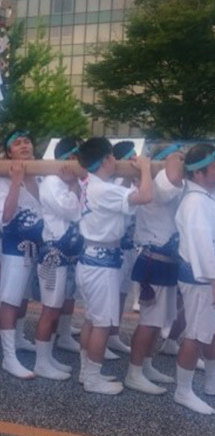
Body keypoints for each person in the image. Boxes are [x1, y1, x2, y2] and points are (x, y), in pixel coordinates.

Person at [76, 137, 152, 395]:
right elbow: (145, 196)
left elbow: (125, 197)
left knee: (91, 319)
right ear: (107, 160)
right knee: (102, 324)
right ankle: (92, 379)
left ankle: (87, 372)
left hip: (91, 258)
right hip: (102, 263)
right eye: (113, 157)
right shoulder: (103, 189)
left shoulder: (93, 184)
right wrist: (145, 168)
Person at [124, 143, 184, 395]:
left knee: (160, 321)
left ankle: (146, 365)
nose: (181, 160)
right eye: (177, 155)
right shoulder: (158, 181)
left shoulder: (156, 180)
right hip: (154, 261)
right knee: (149, 322)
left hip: (165, 260)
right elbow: (171, 177)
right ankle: (134, 372)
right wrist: (170, 158)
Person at [0, 130, 42, 379]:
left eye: (27, 141)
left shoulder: (42, 175)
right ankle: (8, 357)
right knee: (10, 300)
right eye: (17, 143)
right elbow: (6, 216)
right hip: (14, 248)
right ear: (9, 152)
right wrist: (14, 182)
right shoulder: (2, 181)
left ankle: (19, 337)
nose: (23, 145)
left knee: (24, 297)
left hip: (38, 247)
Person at [34, 137, 83, 380]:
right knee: (50, 309)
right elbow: (73, 211)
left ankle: (48, 356)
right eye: (76, 157)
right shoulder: (53, 182)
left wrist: (74, 185)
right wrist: (74, 186)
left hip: (67, 253)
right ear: (67, 158)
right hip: (53, 254)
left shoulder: (68, 182)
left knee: (58, 306)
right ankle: (41, 362)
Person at [173, 143, 215, 414]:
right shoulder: (196, 202)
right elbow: (204, 248)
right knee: (197, 336)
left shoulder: (203, 197)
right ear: (199, 173)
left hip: (205, 277)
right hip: (202, 278)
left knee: (209, 333)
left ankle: (211, 382)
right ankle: (183, 391)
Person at [107, 140, 138, 356]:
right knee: (110, 293)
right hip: (114, 246)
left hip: (130, 247)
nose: (135, 160)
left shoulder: (138, 181)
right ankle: (104, 335)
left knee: (122, 292)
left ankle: (114, 334)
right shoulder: (113, 182)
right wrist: (128, 177)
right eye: (131, 156)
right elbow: (119, 205)